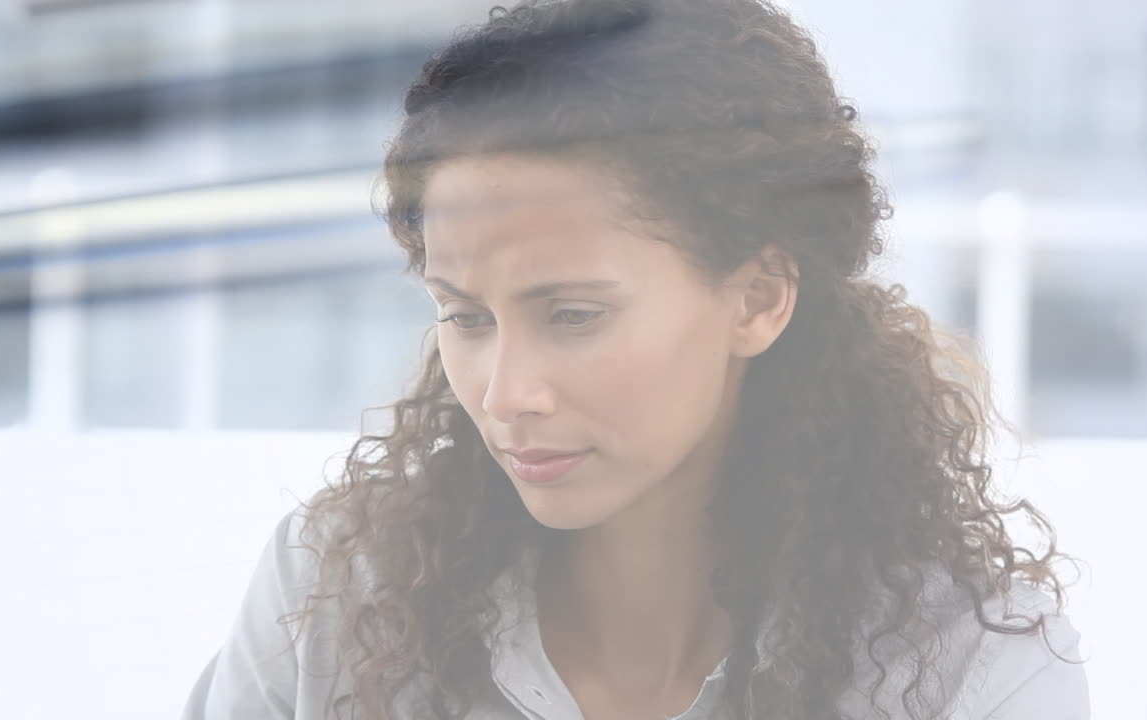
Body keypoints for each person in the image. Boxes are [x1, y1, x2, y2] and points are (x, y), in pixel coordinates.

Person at [182, 1, 1090, 718]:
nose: (506, 395)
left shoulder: (968, 673)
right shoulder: (334, 596)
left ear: (759, 296)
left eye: (572, 315)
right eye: (464, 317)